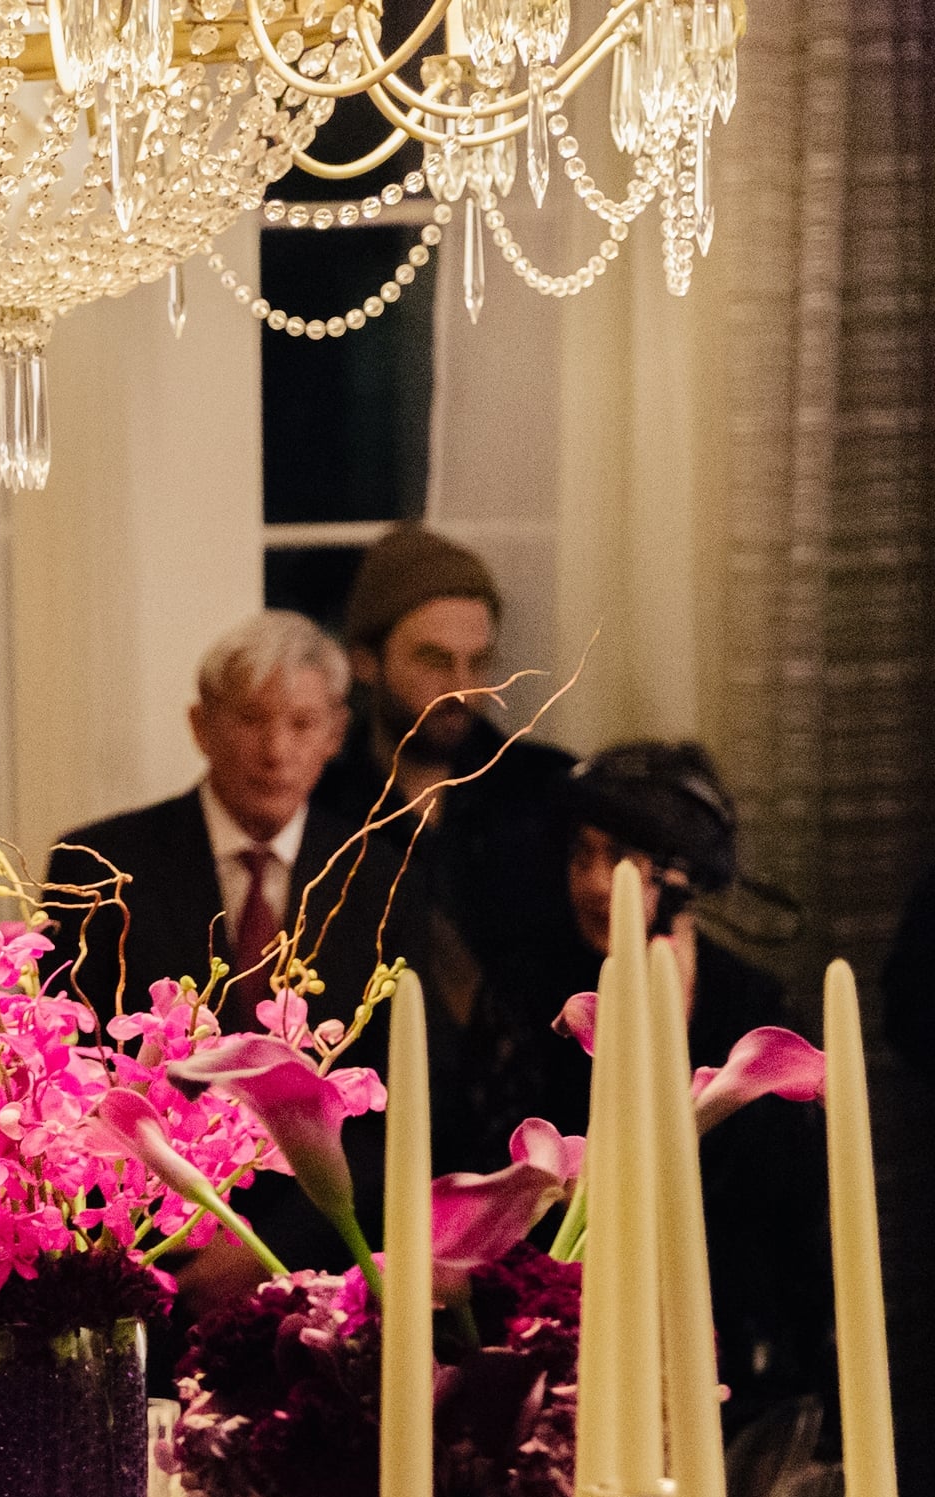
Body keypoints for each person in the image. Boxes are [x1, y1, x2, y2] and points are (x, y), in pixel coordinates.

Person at [45, 610, 399, 1299]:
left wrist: (271, 1252)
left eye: (301, 724)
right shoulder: (99, 864)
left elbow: (396, 1101)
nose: (275, 750)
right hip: (145, 1260)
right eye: (251, 720)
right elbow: (73, 1080)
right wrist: (174, 1246)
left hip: (324, 1261)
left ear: (335, 735)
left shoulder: (380, 876)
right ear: (201, 726)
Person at [525, 742, 833, 1413]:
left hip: (746, 1380)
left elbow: (803, 1234)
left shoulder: (757, 1008)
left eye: (619, 857)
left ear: (684, 873)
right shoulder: (537, 1010)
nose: (594, 882)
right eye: (582, 854)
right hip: (589, 1377)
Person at [308, 521, 585, 1169]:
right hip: (377, 1159)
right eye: (434, 660)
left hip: (544, 1153)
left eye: (478, 662)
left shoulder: (549, 790)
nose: (463, 687)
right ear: (365, 660)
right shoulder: (319, 807)